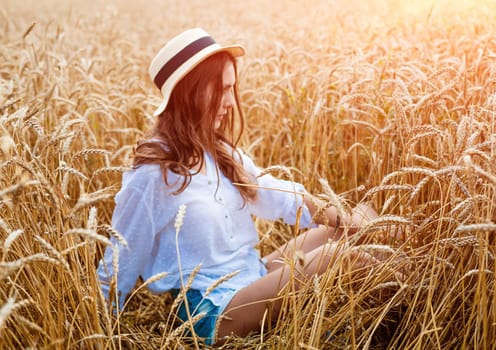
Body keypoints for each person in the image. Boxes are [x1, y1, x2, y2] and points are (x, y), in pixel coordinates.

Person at [97, 28, 392, 346]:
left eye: (231, 88)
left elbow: (281, 196)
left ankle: (420, 280)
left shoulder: (218, 151)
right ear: (190, 92)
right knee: (335, 255)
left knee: (353, 224)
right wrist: (100, 331)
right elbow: (120, 259)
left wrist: (352, 221)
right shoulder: (154, 174)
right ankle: (419, 301)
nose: (229, 101)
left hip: (253, 275)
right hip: (212, 311)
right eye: (220, 89)